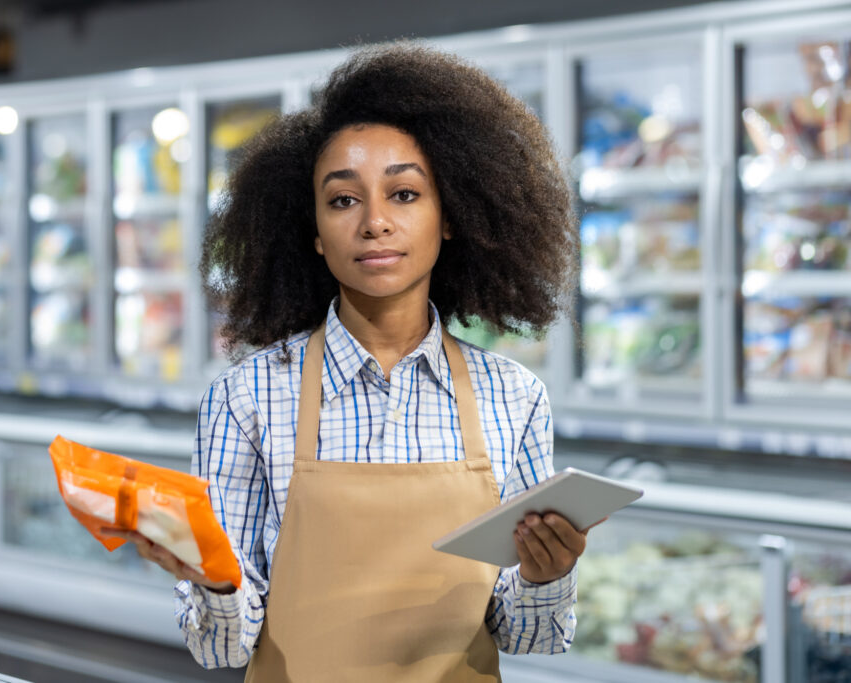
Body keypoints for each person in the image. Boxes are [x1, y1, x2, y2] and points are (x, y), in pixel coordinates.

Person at [111, 43, 586, 681]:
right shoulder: (247, 398)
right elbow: (220, 650)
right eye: (342, 201)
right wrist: (213, 582)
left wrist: (546, 574)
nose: (375, 223)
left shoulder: (515, 396)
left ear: (451, 217)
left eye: (405, 194)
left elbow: (530, 638)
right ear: (311, 231)